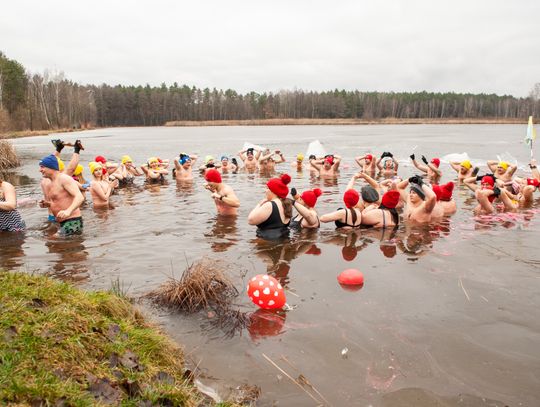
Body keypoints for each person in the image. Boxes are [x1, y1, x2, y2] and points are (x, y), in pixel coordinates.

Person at [38, 155, 85, 235]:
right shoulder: (51, 182)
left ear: (51, 167)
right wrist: (47, 204)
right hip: (61, 221)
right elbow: (59, 200)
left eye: (42, 167)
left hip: (72, 220)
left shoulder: (64, 179)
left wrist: (68, 211)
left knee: (54, 242)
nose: (40, 170)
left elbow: (79, 197)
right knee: (54, 244)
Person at [248, 173, 292, 239]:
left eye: (267, 188)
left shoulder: (270, 205)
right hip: (283, 238)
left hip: (267, 242)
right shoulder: (287, 204)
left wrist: (259, 204)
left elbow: (250, 220)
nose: (265, 191)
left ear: (272, 191)